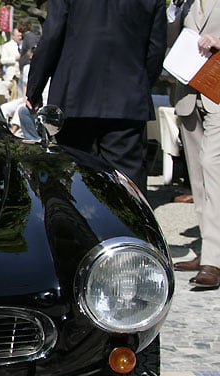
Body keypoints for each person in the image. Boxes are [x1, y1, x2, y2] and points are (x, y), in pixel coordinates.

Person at [25, 0, 167, 196]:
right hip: (127, 96)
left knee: (76, 179)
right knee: (127, 183)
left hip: (76, 93)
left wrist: (35, 88)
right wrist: (140, 84)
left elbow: (52, 36)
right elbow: (156, 48)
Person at [168, 0, 220, 288]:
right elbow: (169, 39)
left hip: (218, 91)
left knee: (213, 167)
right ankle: (207, 250)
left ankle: (214, 260)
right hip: (189, 94)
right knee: (198, 177)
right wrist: (172, 11)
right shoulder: (184, 3)